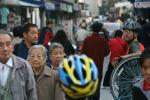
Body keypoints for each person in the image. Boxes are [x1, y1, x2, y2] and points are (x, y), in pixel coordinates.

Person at [0, 30, 37, 100]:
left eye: (8, 44)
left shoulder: (24, 66)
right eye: (0, 45)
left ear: (13, 46)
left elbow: (32, 94)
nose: (5, 49)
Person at [81, 21, 110, 100]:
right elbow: (107, 53)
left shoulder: (87, 39)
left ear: (92, 29)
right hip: (98, 67)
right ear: (100, 29)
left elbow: (83, 53)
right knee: (97, 87)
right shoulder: (103, 40)